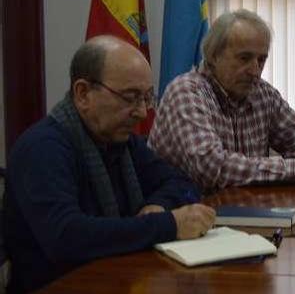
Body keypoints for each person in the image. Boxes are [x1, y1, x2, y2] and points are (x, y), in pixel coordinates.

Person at [3, 36, 215, 293]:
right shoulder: (42, 149)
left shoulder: (122, 142)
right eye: (130, 97)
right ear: (83, 94)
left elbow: (184, 184)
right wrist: (168, 225)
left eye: (147, 98)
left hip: (122, 279)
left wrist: (158, 206)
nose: (142, 112)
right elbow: (66, 236)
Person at [149, 9, 295, 190]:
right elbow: (211, 168)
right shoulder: (186, 93)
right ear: (213, 56)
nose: (255, 71)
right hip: (186, 216)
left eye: (261, 60)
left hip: (245, 213)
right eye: (244, 58)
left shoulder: (262, 93)